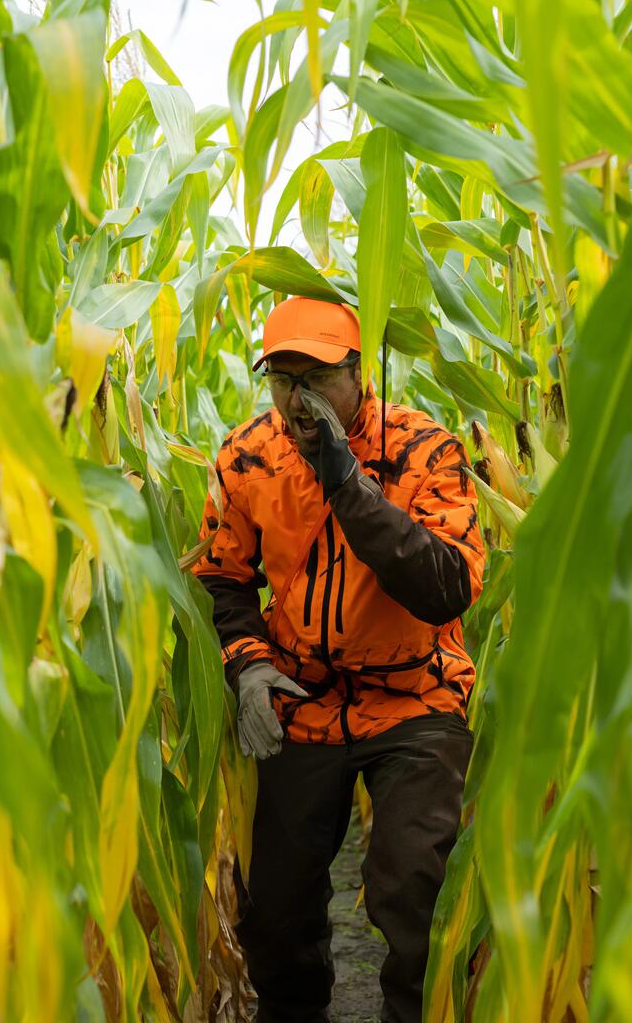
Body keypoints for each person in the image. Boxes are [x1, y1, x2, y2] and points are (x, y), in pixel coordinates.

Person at [194, 296, 485, 1023]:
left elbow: (446, 587)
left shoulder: (422, 449)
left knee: (415, 887)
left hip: (415, 698)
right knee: (276, 913)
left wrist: (346, 480)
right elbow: (222, 580)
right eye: (282, 379)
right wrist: (249, 665)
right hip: (305, 701)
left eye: (317, 378)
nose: (298, 399)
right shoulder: (247, 456)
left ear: (357, 374)